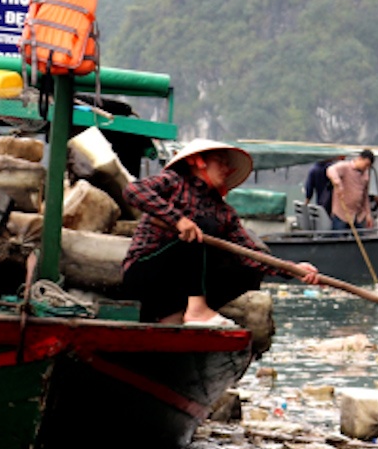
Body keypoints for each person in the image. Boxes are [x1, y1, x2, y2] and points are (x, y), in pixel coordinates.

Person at [122, 140, 321, 343]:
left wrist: (294, 270)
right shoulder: (174, 182)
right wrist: (178, 220)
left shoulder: (223, 212)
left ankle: (179, 314)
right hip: (145, 273)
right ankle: (196, 310)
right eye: (221, 162)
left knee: (248, 270)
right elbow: (133, 191)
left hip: (179, 287)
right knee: (200, 227)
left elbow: (250, 253)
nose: (227, 169)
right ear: (197, 161)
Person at [326, 149, 374, 231]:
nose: (366, 168)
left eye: (368, 166)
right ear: (360, 159)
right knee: (338, 239)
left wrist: (368, 214)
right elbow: (331, 170)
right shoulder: (345, 167)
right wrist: (338, 183)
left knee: (360, 237)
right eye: (366, 164)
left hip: (357, 215)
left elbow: (365, 196)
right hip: (341, 213)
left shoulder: (365, 175)